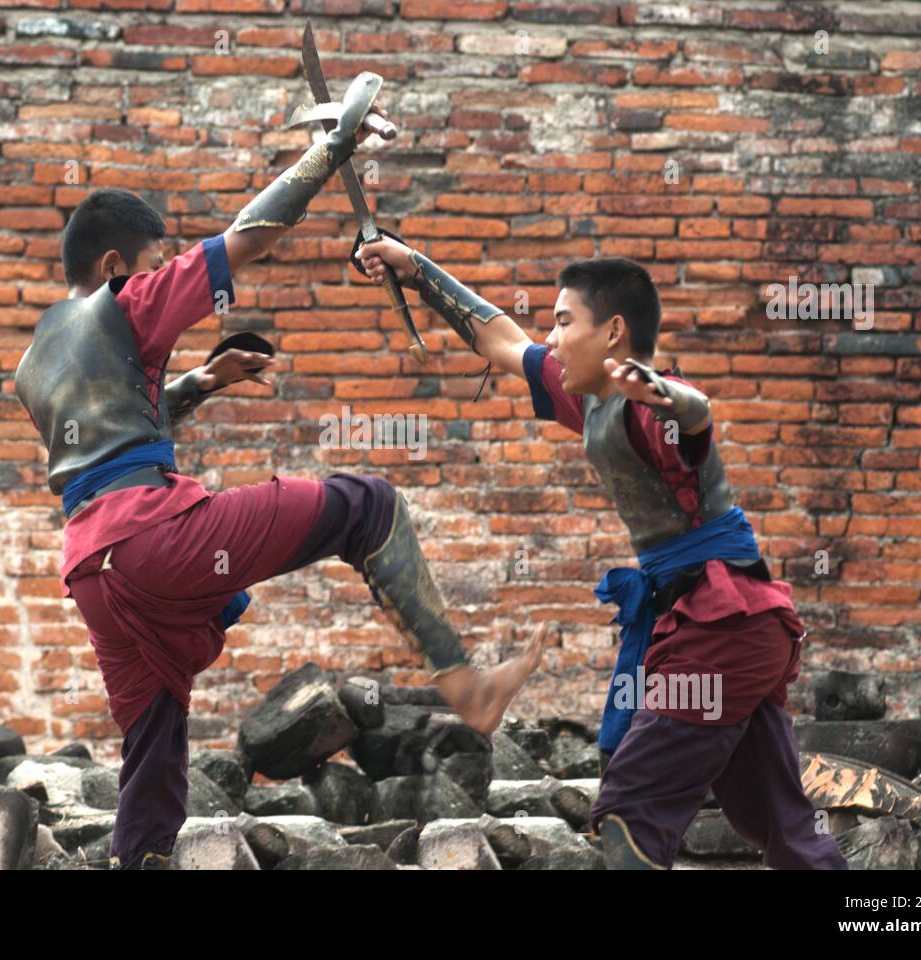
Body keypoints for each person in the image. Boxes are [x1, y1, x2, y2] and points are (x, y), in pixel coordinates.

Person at [13, 75, 545, 871]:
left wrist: (198, 383)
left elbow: (105, 447)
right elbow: (250, 235)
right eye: (151, 264)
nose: (158, 276)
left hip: (92, 570)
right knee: (369, 506)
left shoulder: (36, 358)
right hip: (154, 540)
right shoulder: (126, 302)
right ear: (118, 262)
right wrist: (333, 148)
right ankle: (468, 687)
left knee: (154, 750)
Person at [354, 235, 847, 870]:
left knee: (630, 811)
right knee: (779, 822)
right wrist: (413, 267)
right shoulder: (587, 398)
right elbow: (497, 340)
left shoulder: (650, 408)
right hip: (732, 630)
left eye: (563, 322)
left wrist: (665, 393)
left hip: (722, 624)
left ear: (614, 332)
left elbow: (695, 416)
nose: (551, 338)